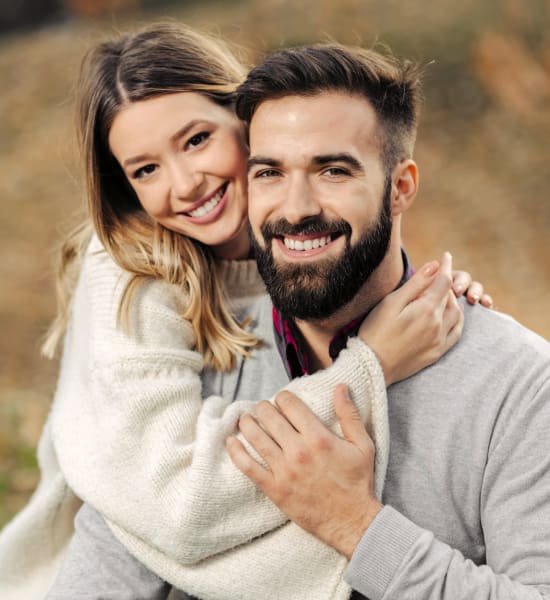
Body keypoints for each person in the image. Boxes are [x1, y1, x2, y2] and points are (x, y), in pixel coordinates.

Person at [0, 24, 489, 600]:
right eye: (145, 170)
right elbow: (176, 505)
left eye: (196, 140)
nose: (185, 185)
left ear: (248, 120)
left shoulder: (292, 246)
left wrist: (424, 297)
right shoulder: (130, 270)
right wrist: (372, 363)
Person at [222, 43, 550, 599]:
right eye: (270, 172)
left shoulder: (521, 385)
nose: (296, 207)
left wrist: (353, 522)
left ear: (401, 187)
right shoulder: (210, 351)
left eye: (332, 170)